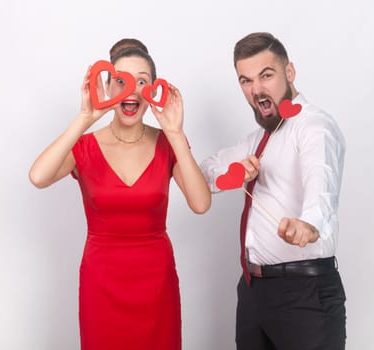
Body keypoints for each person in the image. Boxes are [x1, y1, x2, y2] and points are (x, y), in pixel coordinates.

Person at [29, 38, 211, 350]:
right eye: (121, 81)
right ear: (109, 88)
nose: (132, 90)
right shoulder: (85, 146)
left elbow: (201, 203)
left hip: (156, 284)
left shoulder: (168, 144)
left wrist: (176, 133)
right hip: (101, 284)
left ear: (153, 91)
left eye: (142, 81)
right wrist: (85, 117)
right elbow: (38, 176)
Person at [201, 32, 347, 349]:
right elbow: (205, 172)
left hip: (305, 293)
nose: (256, 89)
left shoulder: (314, 126)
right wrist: (237, 172)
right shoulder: (256, 140)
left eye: (266, 75)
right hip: (253, 292)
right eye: (246, 80)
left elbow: (321, 181)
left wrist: (308, 224)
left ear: (289, 72)